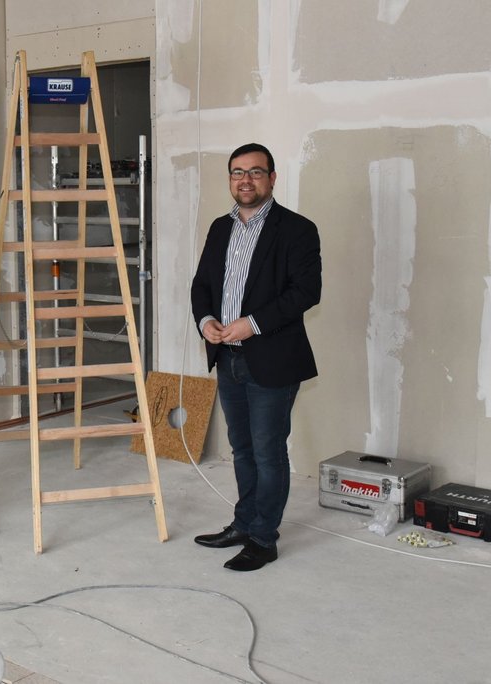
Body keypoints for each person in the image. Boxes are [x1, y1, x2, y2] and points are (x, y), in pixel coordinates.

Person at [190, 143, 321, 571]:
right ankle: (244, 523)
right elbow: (201, 285)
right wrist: (206, 321)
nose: (245, 180)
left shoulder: (297, 230)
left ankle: (264, 538)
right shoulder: (220, 228)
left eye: (255, 172)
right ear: (230, 179)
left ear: (272, 178)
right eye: (237, 172)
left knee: (267, 452)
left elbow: (306, 292)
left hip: (272, 359)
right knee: (242, 449)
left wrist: (253, 323)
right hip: (227, 358)